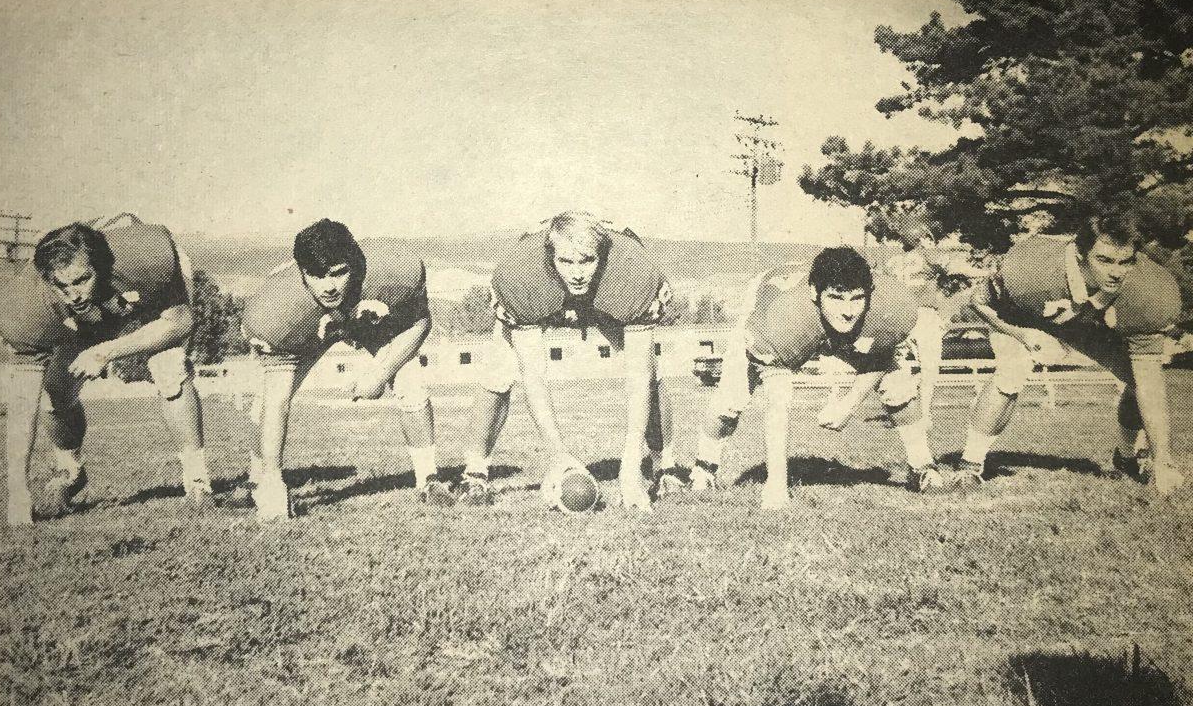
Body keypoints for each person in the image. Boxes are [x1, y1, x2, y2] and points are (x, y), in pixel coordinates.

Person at [691, 246, 947, 509]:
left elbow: (881, 352)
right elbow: (777, 404)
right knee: (731, 400)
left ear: (870, 294)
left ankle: (921, 465)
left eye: (857, 298)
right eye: (836, 297)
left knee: (898, 383)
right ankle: (704, 467)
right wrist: (777, 485)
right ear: (815, 293)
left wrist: (850, 403)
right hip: (772, 309)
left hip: (812, 313)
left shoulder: (892, 304)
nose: (848, 311)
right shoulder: (783, 318)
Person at [0, 214, 209, 525]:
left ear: (102, 267)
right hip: (83, 324)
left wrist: (107, 351)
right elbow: (23, 402)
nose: (74, 294)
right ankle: (69, 471)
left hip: (142, 297)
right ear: (45, 278)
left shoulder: (146, 257)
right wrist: (17, 491)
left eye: (82, 279)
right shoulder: (26, 307)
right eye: (62, 285)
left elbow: (180, 321)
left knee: (170, 369)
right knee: (56, 394)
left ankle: (197, 481)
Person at [459, 212, 674, 512]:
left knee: (651, 373)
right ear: (550, 254)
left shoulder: (632, 272)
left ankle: (665, 466)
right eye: (566, 261)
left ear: (602, 255)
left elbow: (638, 376)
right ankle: (474, 473)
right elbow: (533, 376)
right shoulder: (521, 275)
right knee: (498, 369)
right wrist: (557, 453)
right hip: (543, 295)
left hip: (608, 296)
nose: (576, 273)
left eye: (587, 260)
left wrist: (629, 465)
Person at [957, 212, 1185, 494]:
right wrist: (1020, 334)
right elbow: (979, 302)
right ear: (1080, 255)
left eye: (1125, 262)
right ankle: (970, 465)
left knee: (1140, 384)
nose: (1115, 271)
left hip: (1090, 328)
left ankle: (1126, 456)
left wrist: (1163, 461)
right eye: (1104, 260)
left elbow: (1150, 379)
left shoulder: (1149, 292)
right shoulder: (1031, 271)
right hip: (1024, 317)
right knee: (1011, 372)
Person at [241, 219, 438, 520]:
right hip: (303, 329)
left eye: (338, 273)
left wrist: (380, 372)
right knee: (266, 402)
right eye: (316, 276)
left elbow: (420, 323)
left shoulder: (392, 271)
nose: (329, 286)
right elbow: (278, 402)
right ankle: (261, 480)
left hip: (359, 316)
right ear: (301, 273)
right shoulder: (277, 314)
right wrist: (272, 477)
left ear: (354, 264)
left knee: (410, 378)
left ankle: (429, 480)